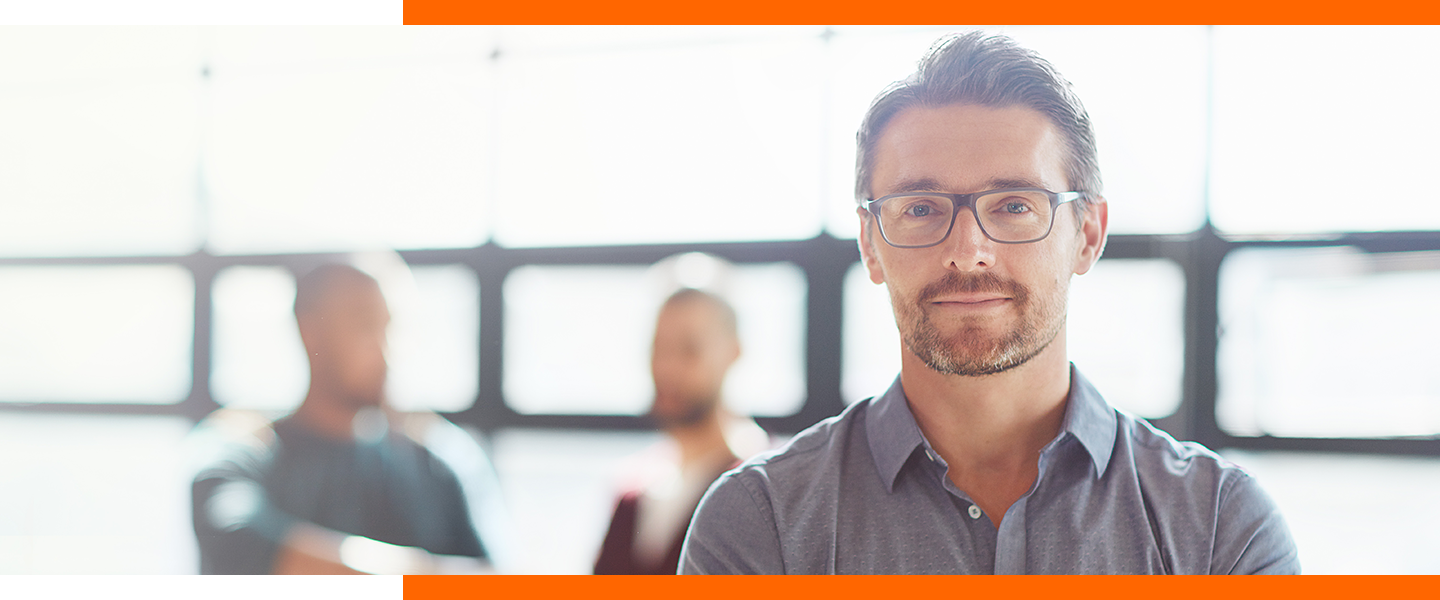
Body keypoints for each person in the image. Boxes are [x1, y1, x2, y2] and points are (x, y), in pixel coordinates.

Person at [679, 32, 1299, 574]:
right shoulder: (759, 524)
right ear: (870, 244)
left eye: (1014, 206)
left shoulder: (1219, 527)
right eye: (921, 209)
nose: (968, 252)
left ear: (1087, 234)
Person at [191, 263, 493, 574]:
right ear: (311, 332)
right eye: (366, 326)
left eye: (389, 327)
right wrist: (426, 581)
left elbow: (491, 580)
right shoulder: (243, 456)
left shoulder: (432, 466)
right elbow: (239, 545)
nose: (386, 349)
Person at [594, 288, 769, 575]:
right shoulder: (631, 494)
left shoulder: (765, 488)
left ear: (733, 352)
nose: (667, 367)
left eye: (690, 349)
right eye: (659, 348)